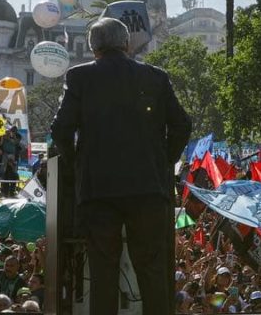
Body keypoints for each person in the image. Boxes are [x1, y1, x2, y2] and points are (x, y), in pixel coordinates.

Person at [50, 17, 193, 315]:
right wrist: (164, 162)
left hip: (98, 191)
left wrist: (76, 165)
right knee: (153, 269)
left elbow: (61, 129)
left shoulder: (80, 78)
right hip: (148, 191)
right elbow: (181, 126)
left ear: (93, 47)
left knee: (103, 271)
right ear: (126, 44)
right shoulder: (155, 77)